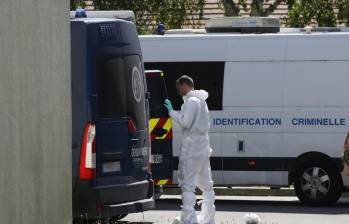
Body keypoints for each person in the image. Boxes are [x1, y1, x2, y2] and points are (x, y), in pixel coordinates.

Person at [164, 75, 215, 224]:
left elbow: (185, 122)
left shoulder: (191, 102)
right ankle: (208, 218)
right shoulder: (202, 101)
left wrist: (172, 112)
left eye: (179, 87)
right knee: (207, 185)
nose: (178, 91)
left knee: (188, 185)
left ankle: (190, 220)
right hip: (203, 149)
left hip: (192, 149)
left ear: (185, 85)